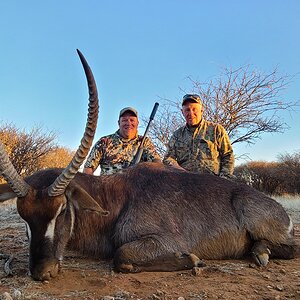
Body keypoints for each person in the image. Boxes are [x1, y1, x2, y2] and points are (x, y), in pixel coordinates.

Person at [163, 94, 234, 178]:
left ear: (201, 110)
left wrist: (223, 180)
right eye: (187, 110)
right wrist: (180, 171)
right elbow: (168, 159)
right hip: (184, 184)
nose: (191, 113)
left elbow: (228, 155)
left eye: (194, 109)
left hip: (213, 183)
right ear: (182, 112)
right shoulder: (177, 135)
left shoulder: (216, 129)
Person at [83, 107, 160, 175]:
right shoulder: (104, 142)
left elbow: (157, 164)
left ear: (137, 123)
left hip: (135, 188)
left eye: (132, 120)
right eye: (124, 120)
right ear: (118, 123)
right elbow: (88, 168)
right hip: (107, 189)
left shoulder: (144, 142)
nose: (128, 123)